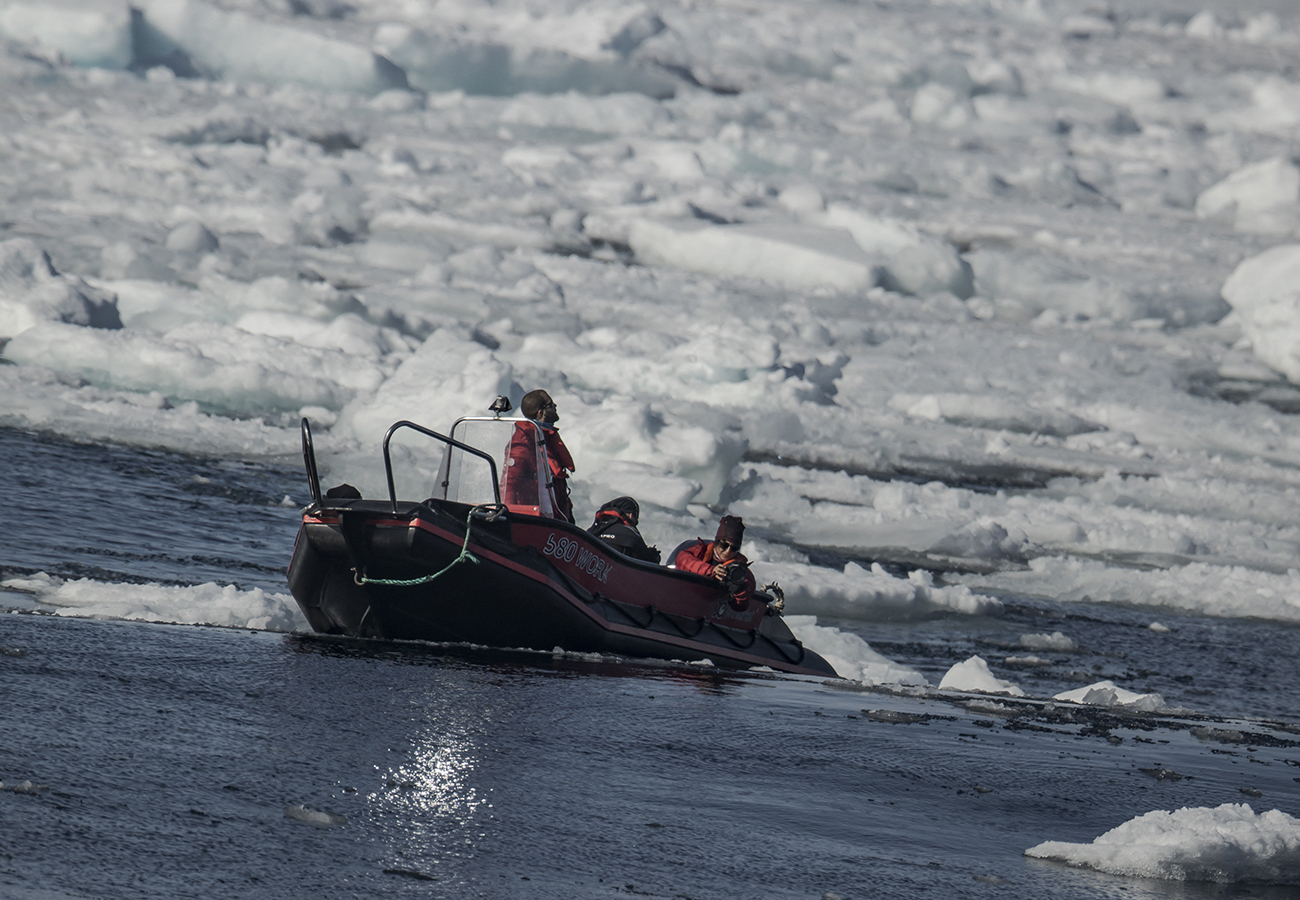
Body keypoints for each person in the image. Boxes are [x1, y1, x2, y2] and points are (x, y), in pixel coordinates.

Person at [502, 389, 575, 523]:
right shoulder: (522, 441)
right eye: (551, 405)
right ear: (541, 412)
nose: (556, 407)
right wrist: (509, 518)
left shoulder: (545, 436)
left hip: (557, 515)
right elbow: (509, 483)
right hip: (537, 519)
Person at [673, 515, 755, 608]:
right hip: (685, 598)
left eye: (734, 548)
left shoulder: (741, 573)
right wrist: (711, 570)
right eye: (724, 545)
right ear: (716, 542)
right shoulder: (700, 551)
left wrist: (739, 590)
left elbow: (744, 603)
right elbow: (682, 559)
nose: (728, 551)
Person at [588, 496, 660, 563]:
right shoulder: (630, 532)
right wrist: (654, 555)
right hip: (617, 572)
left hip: (591, 567)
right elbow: (648, 559)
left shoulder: (594, 529)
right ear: (630, 515)